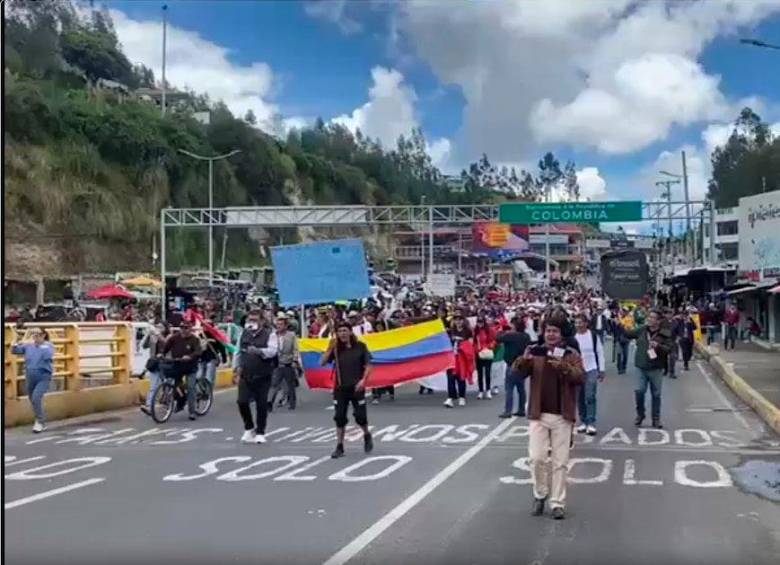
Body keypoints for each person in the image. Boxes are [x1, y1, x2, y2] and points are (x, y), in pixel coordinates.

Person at [513, 313, 585, 520]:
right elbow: (517, 372)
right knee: (536, 458)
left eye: (555, 331)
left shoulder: (570, 353)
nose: (551, 335)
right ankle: (540, 494)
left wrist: (562, 366)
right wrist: (523, 360)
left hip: (562, 415)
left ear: (561, 335)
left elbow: (581, 377)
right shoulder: (535, 352)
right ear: (543, 333)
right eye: (548, 331)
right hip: (538, 412)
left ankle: (557, 502)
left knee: (560, 462)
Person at [321, 322, 373, 459]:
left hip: (357, 387)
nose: (342, 333)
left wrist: (363, 381)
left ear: (350, 332)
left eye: (345, 330)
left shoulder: (360, 347)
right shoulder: (336, 349)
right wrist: (329, 349)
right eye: (340, 331)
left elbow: (368, 365)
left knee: (360, 417)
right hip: (340, 388)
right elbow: (322, 362)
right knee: (340, 417)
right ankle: (339, 446)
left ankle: (366, 434)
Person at [234, 309, 279, 443]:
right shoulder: (244, 334)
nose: (252, 323)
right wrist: (235, 368)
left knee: (261, 403)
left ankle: (260, 432)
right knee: (242, 401)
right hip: (246, 373)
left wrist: (259, 351)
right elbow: (238, 352)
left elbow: (272, 351)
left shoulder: (270, 334)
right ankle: (249, 428)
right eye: (250, 320)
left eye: (255, 320)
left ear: (262, 321)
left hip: (263, 374)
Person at [624, 310, 672, 429]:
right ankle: (640, 415)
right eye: (649, 317)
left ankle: (656, 419)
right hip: (641, 366)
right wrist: (621, 324)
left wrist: (659, 346)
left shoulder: (664, 334)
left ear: (658, 321)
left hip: (656, 368)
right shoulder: (642, 330)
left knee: (656, 394)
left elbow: (669, 349)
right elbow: (628, 334)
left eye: (652, 318)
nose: (649, 319)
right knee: (639, 391)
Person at [12, 328, 55, 433]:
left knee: (36, 397)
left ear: (44, 335)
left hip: (43, 375)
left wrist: (38, 344)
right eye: (33, 334)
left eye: (38, 334)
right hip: (30, 375)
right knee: (33, 399)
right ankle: (40, 415)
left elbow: (47, 355)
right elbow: (15, 351)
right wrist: (16, 341)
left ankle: (40, 422)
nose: (36, 336)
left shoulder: (48, 345)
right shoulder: (28, 346)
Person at [162, 321, 202, 421]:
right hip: (178, 365)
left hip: (190, 367)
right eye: (182, 327)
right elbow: (166, 347)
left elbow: (198, 351)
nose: (184, 330)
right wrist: (161, 354)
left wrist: (190, 356)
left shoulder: (194, 339)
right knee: (176, 385)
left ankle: (192, 412)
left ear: (190, 329)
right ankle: (180, 403)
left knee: (190, 387)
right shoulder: (174, 338)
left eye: (186, 328)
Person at [573, 313, 605, 436]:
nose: (578, 325)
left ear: (586, 323)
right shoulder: (573, 337)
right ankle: (583, 421)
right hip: (577, 370)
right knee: (580, 397)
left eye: (580, 322)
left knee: (590, 396)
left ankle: (591, 422)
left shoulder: (593, 336)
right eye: (576, 322)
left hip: (591, 369)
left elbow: (600, 352)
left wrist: (601, 370)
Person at [497, 316, 531, 418]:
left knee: (509, 388)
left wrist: (502, 329)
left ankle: (508, 411)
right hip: (522, 364)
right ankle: (521, 409)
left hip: (511, 364)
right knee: (521, 388)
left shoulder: (510, 335)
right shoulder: (526, 336)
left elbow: (498, 337)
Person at [268, 312, 300, 411]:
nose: (279, 326)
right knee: (274, 384)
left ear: (286, 325)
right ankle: (269, 403)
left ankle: (292, 403)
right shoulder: (273, 335)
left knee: (290, 384)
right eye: (278, 324)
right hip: (276, 363)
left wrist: (294, 360)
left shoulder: (291, 335)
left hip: (288, 363)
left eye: (281, 324)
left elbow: (295, 349)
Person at [140, 321, 170, 416]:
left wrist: (158, 335)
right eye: (157, 327)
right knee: (154, 386)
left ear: (165, 328)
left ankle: (168, 400)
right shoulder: (153, 337)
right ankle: (149, 406)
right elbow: (144, 346)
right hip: (154, 364)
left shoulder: (169, 336)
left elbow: (167, 344)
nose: (158, 328)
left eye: (161, 327)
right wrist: (148, 335)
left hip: (166, 363)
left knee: (167, 384)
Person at [444, 315, 474, 408]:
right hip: (451, 357)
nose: (458, 321)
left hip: (462, 358)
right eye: (456, 320)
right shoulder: (451, 331)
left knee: (461, 378)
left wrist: (461, 343)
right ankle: (450, 397)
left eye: (460, 320)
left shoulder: (467, 331)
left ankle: (462, 397)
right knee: (450, 378)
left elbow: (470, 344)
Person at [198, 324, 228, 389]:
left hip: (212, 359)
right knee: (199, 377)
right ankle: (202, 391)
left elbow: (221, 347)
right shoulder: (200, 336)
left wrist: (224, 359)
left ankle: (209, 394)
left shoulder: (215, 336)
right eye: (203, 326)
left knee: (209, 378)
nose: (204, 328)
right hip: (201, 359)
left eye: (206, 326)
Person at [474, 317, 496, 399]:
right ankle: (480, 391)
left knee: (487, 372)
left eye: (481, 322)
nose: (480, 324)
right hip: (478, 353)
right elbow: (473, 342)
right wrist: (477, 349)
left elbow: (494, 340)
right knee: (479, 373)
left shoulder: (489, 330)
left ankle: (488, 390)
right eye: (478, 322)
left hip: (487, 352)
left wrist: (490, 346)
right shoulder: (475, 331)